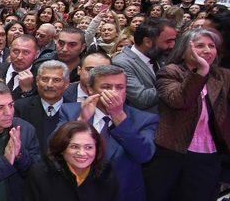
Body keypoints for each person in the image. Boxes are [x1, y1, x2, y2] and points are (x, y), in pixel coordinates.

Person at [144, 29, 230, 201]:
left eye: (211, 46)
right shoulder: (170, 72)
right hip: (173, 151)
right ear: (184, 50)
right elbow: (180, 101)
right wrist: (201, 72)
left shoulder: (224, 76)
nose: (207, 50)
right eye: (200, 46)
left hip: (209, 153)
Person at [57, 65, 158, 201]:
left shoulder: (144, 119)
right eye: (106, 87)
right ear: (90, 89)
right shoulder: (70, 111)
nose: (114, 92)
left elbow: (145, 155)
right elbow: (54, 148)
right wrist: (82, 121)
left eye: (120, 87)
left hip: (121, 195)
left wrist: (119, 116)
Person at [25, 121, 119, 201]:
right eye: (74, 147)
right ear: (62, 149)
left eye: (88, 147)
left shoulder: (106, 173)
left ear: (96, 149)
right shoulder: (40, 174)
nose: (82, 153)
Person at [112, 18, 177, 112]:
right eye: (168, 41)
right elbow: (142, 99)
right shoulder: (121, 64)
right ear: (147, 42)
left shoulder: (161, 56)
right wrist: (173, 83)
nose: (172, 45)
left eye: (174, 40)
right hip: (145, 123)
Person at [15, 60, 70, 157]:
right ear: (36, 81)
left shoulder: (74, 110)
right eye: (44, 79)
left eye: (56, 80)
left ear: (66, 84)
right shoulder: (20, 107)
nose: (49, 85)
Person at [0, 35, 39, 100]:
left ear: (36, 54)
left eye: (26, 52)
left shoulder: (40, 78)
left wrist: (27, 91)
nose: (19, 57)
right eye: (16, 51)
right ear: (9, 51)